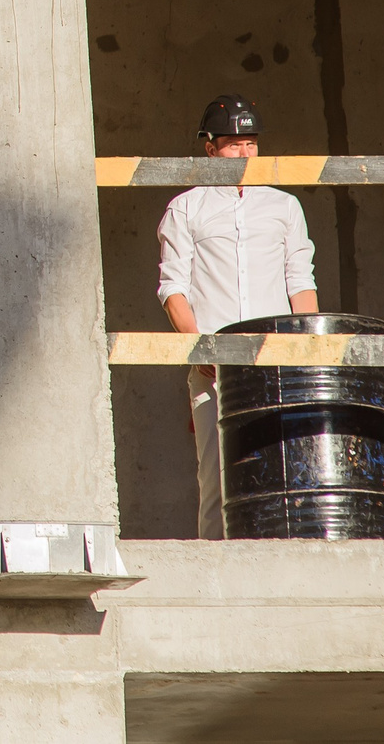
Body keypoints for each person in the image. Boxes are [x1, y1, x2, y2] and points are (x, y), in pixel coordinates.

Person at [157, 94, 320, 539]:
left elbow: (300, 281)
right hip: (215, 368)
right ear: (210, 149)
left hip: (279, 363)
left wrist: (308, 349)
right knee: (218, 481)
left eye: (250, 144)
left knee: (287, 474)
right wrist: (198, 349)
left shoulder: (284, 206)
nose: (244, 153)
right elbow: (173, 287)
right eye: (233, 145)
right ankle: (216, 581)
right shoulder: (186, 207)